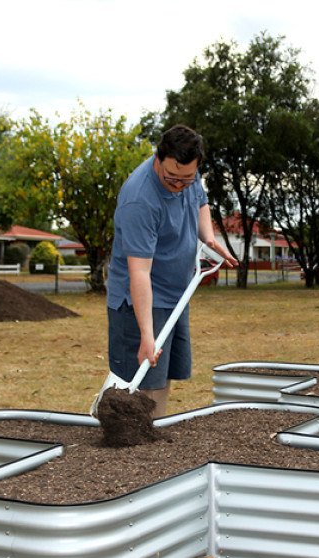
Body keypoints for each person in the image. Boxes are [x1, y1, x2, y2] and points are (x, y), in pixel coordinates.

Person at [106, 125, 237, 418]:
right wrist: (146, 335)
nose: (179, 186)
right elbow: (139, 273)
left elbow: (201, 202)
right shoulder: (139, 200)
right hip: (139, 301)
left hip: (176, 294)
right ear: (158, 158)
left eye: (186, 180)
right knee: (140, 384)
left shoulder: (186, 170)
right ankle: (130, 450)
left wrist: (209, 238)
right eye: (172, 179)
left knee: (161, 378)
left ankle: (154, 435)